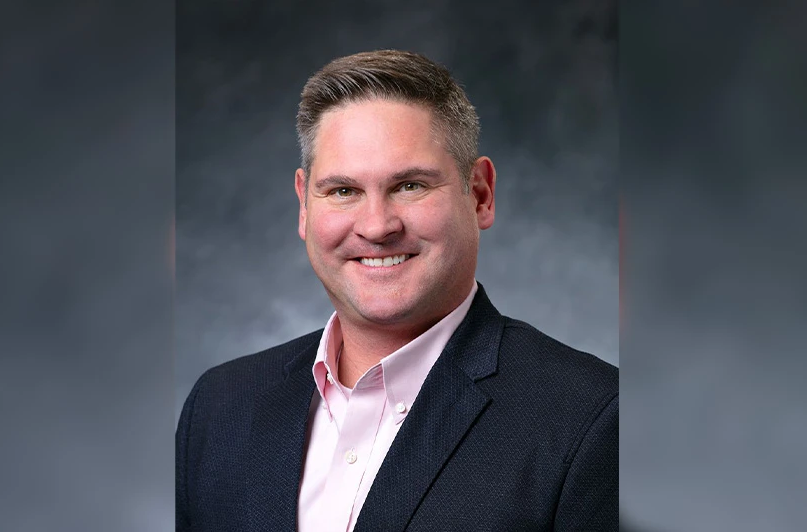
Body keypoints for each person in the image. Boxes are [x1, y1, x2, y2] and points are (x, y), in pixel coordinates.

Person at [176, 50, 619, 532]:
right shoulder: (221, 408)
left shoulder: (593, 419)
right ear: (304, 205)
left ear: (480, 195)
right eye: (343, 190)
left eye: (409, 185)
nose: (377, 226)